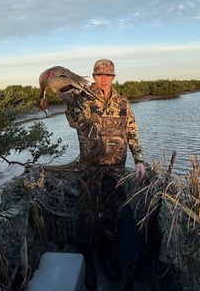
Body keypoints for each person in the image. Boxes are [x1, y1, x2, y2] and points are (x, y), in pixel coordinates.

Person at [65, 59, 145, 290]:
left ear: (113, 77)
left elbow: (132, 131)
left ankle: (108, 253)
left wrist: (139, 160)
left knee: (112, 212)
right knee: (88, 212)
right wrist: (69, 101)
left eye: (107, 75)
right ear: (93, 75)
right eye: (99, 74)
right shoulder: (83, 98)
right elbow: (74, 122)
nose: (103, 78)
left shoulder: (123, 102)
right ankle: (88, 259)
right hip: (90, 168)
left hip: (115, 168)